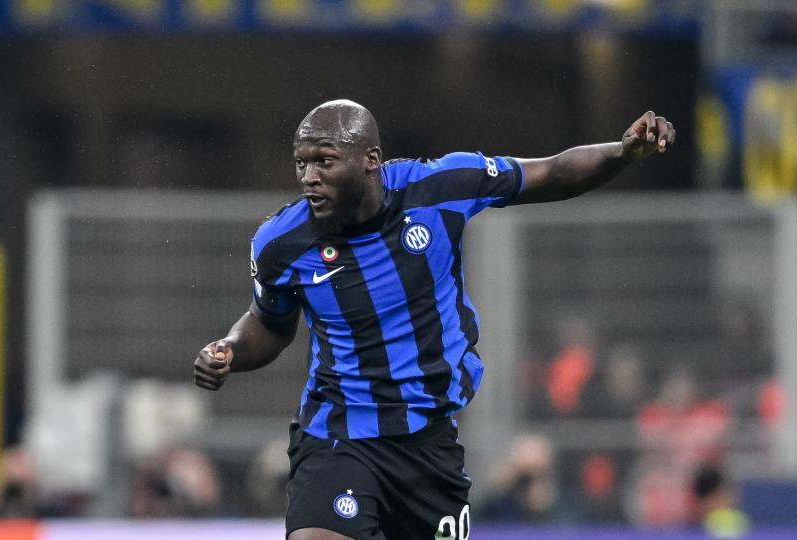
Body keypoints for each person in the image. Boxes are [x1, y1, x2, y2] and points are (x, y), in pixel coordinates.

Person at [193, 99, 675, 539]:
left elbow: (552, 172)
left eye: (324, 161)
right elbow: (269, 323)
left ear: (370, 160)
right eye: (301, 163)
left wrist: (621, 153)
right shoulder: (281, 243)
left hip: (428, 442)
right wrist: (231, 349)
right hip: (338, 436)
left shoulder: (439, 188)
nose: (309, 177)